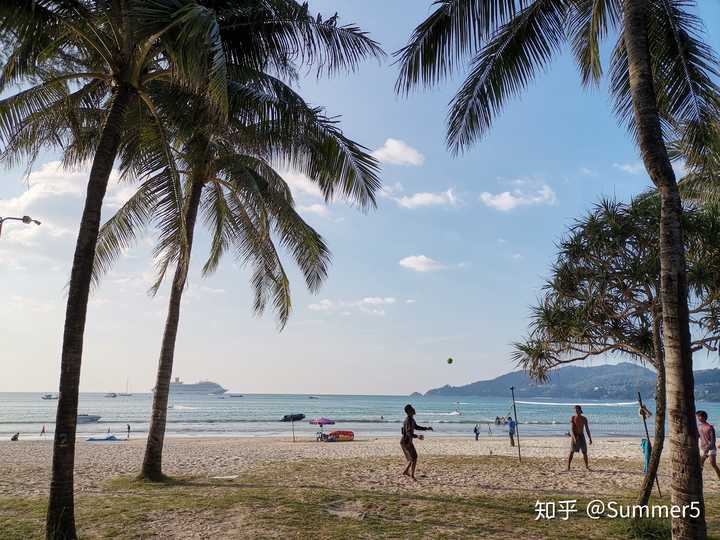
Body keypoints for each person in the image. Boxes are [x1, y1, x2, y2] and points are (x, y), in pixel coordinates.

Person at [400, 404, 432, 481]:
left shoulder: (411, 419)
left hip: (406, 441)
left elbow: (416, 427)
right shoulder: (409, 420)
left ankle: (406, 471)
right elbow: (408, 433)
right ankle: (412, 476)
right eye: (412, 409)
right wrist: (417, 436)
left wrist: (426, 428)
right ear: (409, 411)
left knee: (412, 458)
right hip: (406, 442)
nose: (414, 409)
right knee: (414, 457)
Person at [568, 405, 592, 471]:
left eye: (577, 410)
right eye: (575, 410)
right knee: (572, 451)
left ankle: (587, 466)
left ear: (580, 410)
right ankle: (568, 467)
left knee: (584, 452)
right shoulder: (573, 418)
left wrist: (590, 438)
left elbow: (587, 429)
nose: (576, 411)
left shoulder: (584, 419)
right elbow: (572, 429)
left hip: (581, 436)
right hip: (575, 436)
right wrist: (574, 438)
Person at [697, 410, 720, 480]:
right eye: (697, 416)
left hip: (711, 449)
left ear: (704, 417)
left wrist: (708, 448)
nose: (697, 418)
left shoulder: (710, 427)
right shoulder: (699, 427)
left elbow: (713, 441)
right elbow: (698, 436)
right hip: (702, 448)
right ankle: (698, 479)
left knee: (713, 464)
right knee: (700, 464)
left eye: (699, 416)